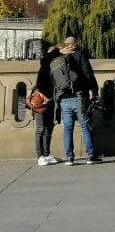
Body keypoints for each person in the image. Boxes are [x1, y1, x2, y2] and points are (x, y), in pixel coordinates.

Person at [52, 36, 101, 165]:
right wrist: (95, 91)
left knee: (68, 128)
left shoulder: (57, 57)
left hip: (63, 98)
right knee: (85, 126)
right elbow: (88, 74)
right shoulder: (80, 55)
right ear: (75, 44)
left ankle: (69, 158)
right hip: (79, 97)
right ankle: (90, 156)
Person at [34, 45, 62, 166]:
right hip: (40, 100)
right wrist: (57, 49)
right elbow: (46, 58)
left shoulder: (54, 68)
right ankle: (39, 155)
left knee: (49, 127)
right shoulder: (44, 64)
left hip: (51, 100)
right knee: (40, 128)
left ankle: (46, 154)